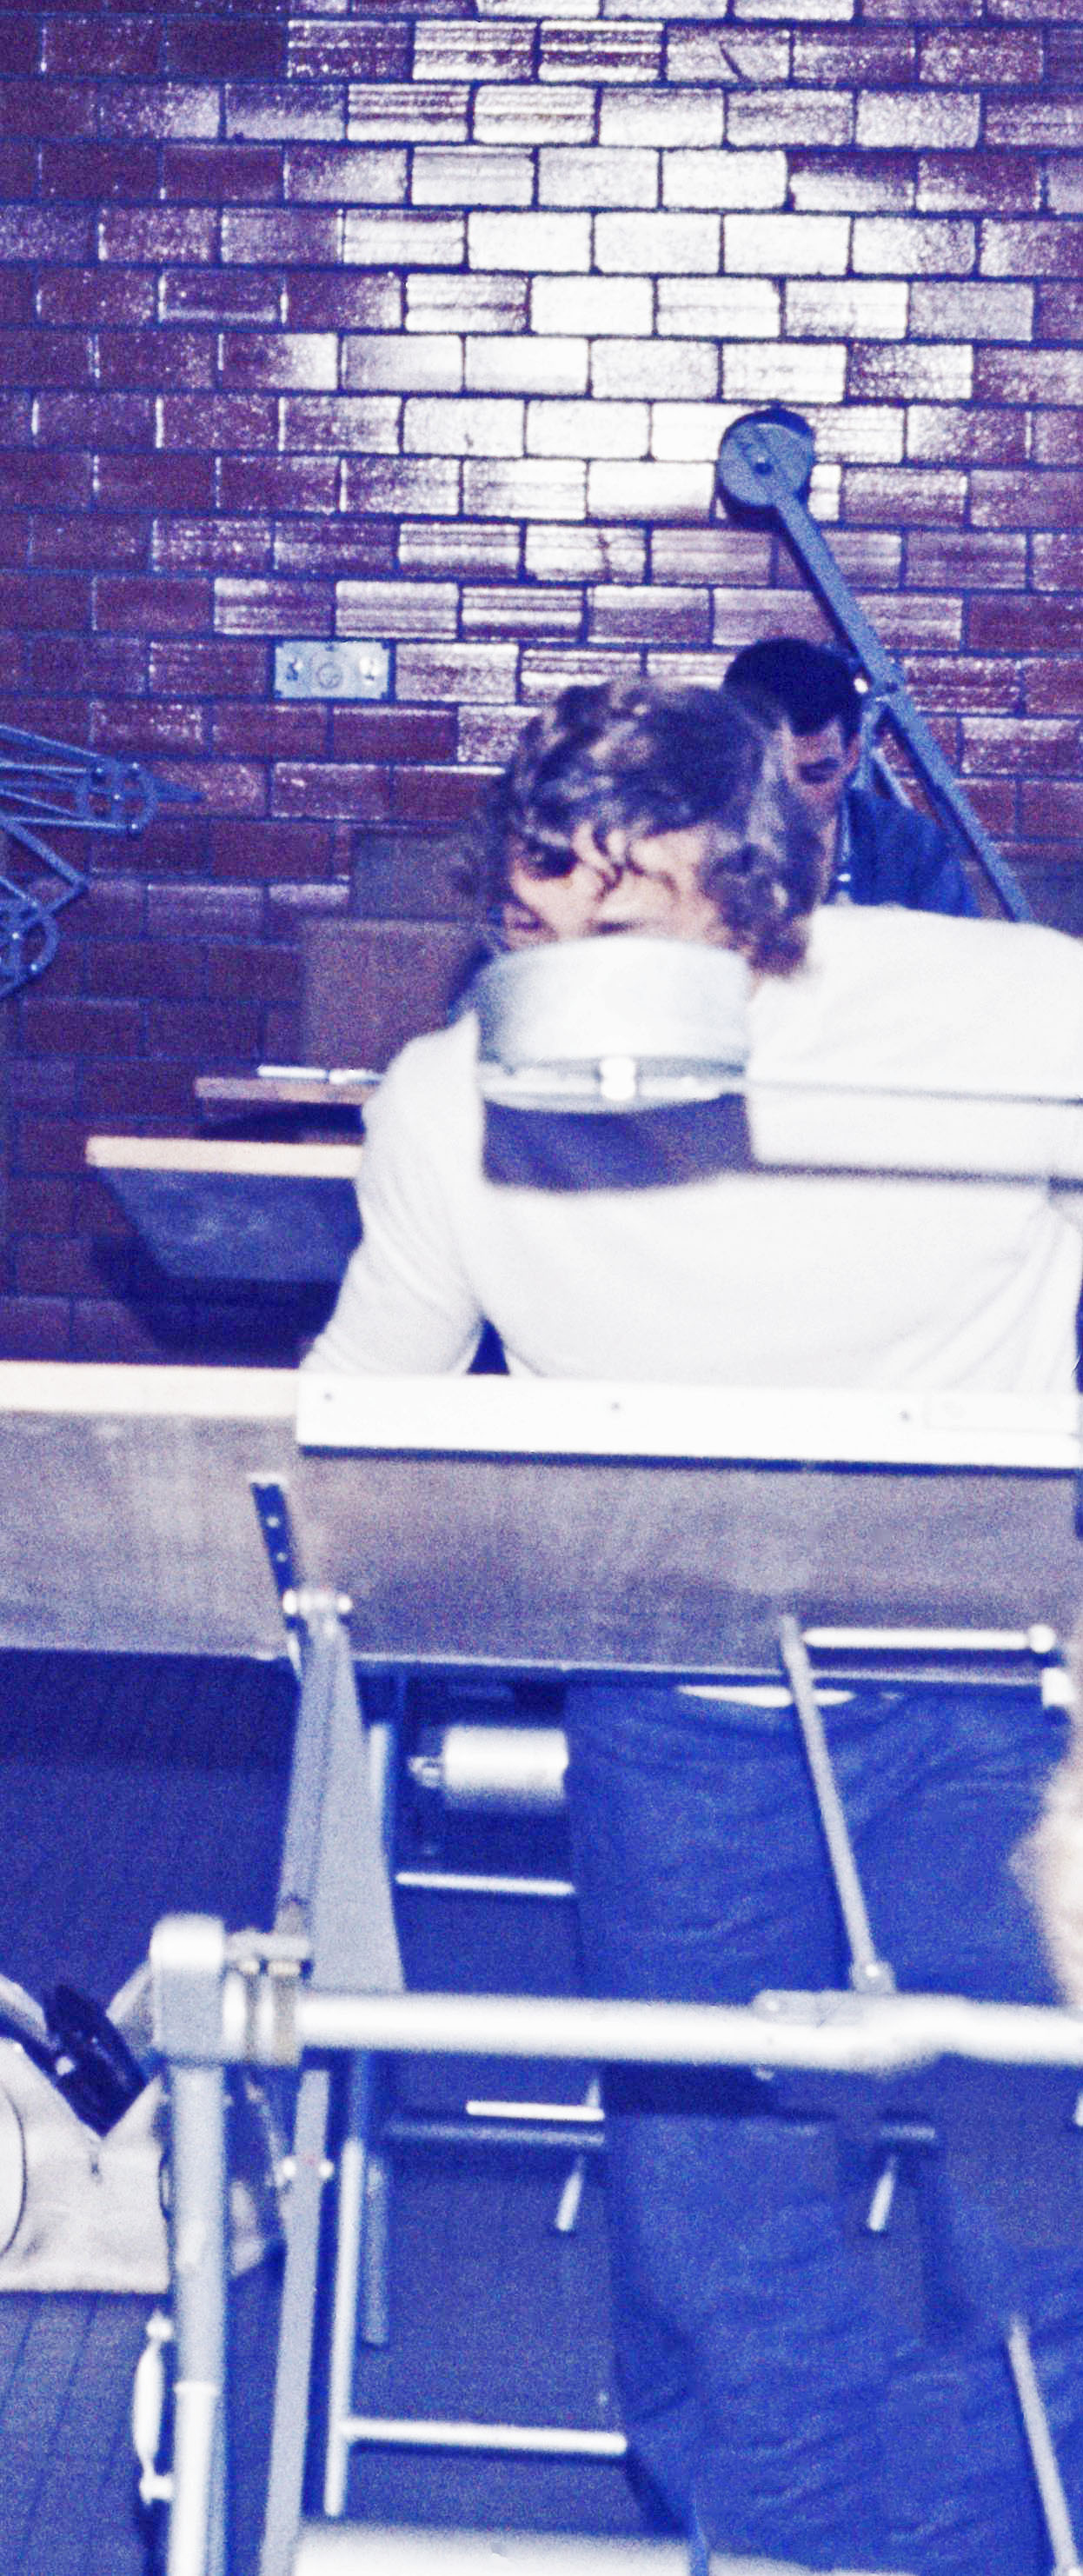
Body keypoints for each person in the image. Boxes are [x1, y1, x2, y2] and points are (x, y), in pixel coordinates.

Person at [309, 679, 1083, 2573]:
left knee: (1027, 2195)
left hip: (991, 1690)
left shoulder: (1010, 1016)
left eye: (625, 924)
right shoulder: (450, 1102)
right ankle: (781, 2551)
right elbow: (363, 1431)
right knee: (718, 2227)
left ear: (764, 911)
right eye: (530, 921)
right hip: (673, 1696)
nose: (563, 974)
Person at [721, 634, 974, 917]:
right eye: (770, 774)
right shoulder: (697, 846)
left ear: (851, 755)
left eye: (816, 774)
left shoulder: (913, 851)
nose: (793, 797)